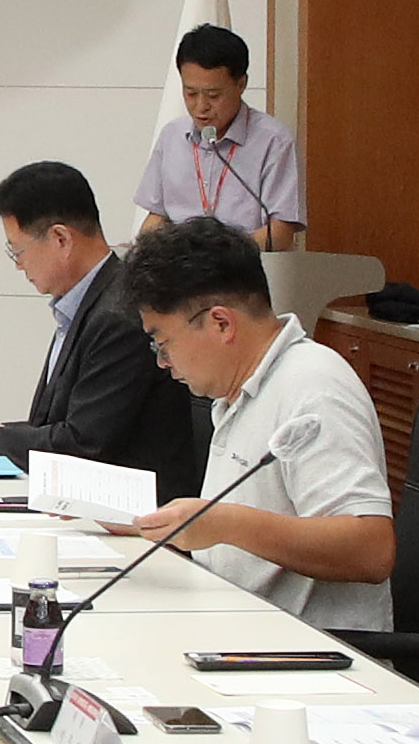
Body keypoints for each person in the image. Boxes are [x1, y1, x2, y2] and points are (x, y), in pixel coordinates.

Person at [108, 217, 393, 632]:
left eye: (163, 342)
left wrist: (223, 523)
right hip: (232, 622)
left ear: (221, 323)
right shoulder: (239, 388)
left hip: (304, 650)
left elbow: (371, 549)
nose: (162, 362)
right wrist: (159, 523)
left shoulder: (313, 387)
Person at [0, 158, 208, 498]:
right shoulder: (88, 302)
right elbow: (49, 423)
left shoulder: (120, 315)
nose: (19, 266)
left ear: (60, 239)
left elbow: (82, 443)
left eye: (18, 251)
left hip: (134, 515)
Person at [129, 23, 306, 248]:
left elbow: (279, 234)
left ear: (241, 84)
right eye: (191, 93)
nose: (201, 106)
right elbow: (157, 216)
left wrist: (217, 256)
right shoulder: (172, 136)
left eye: (213, 95)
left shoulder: (274, 142)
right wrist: (140, 251)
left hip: (244, 265)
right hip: (179, 265)